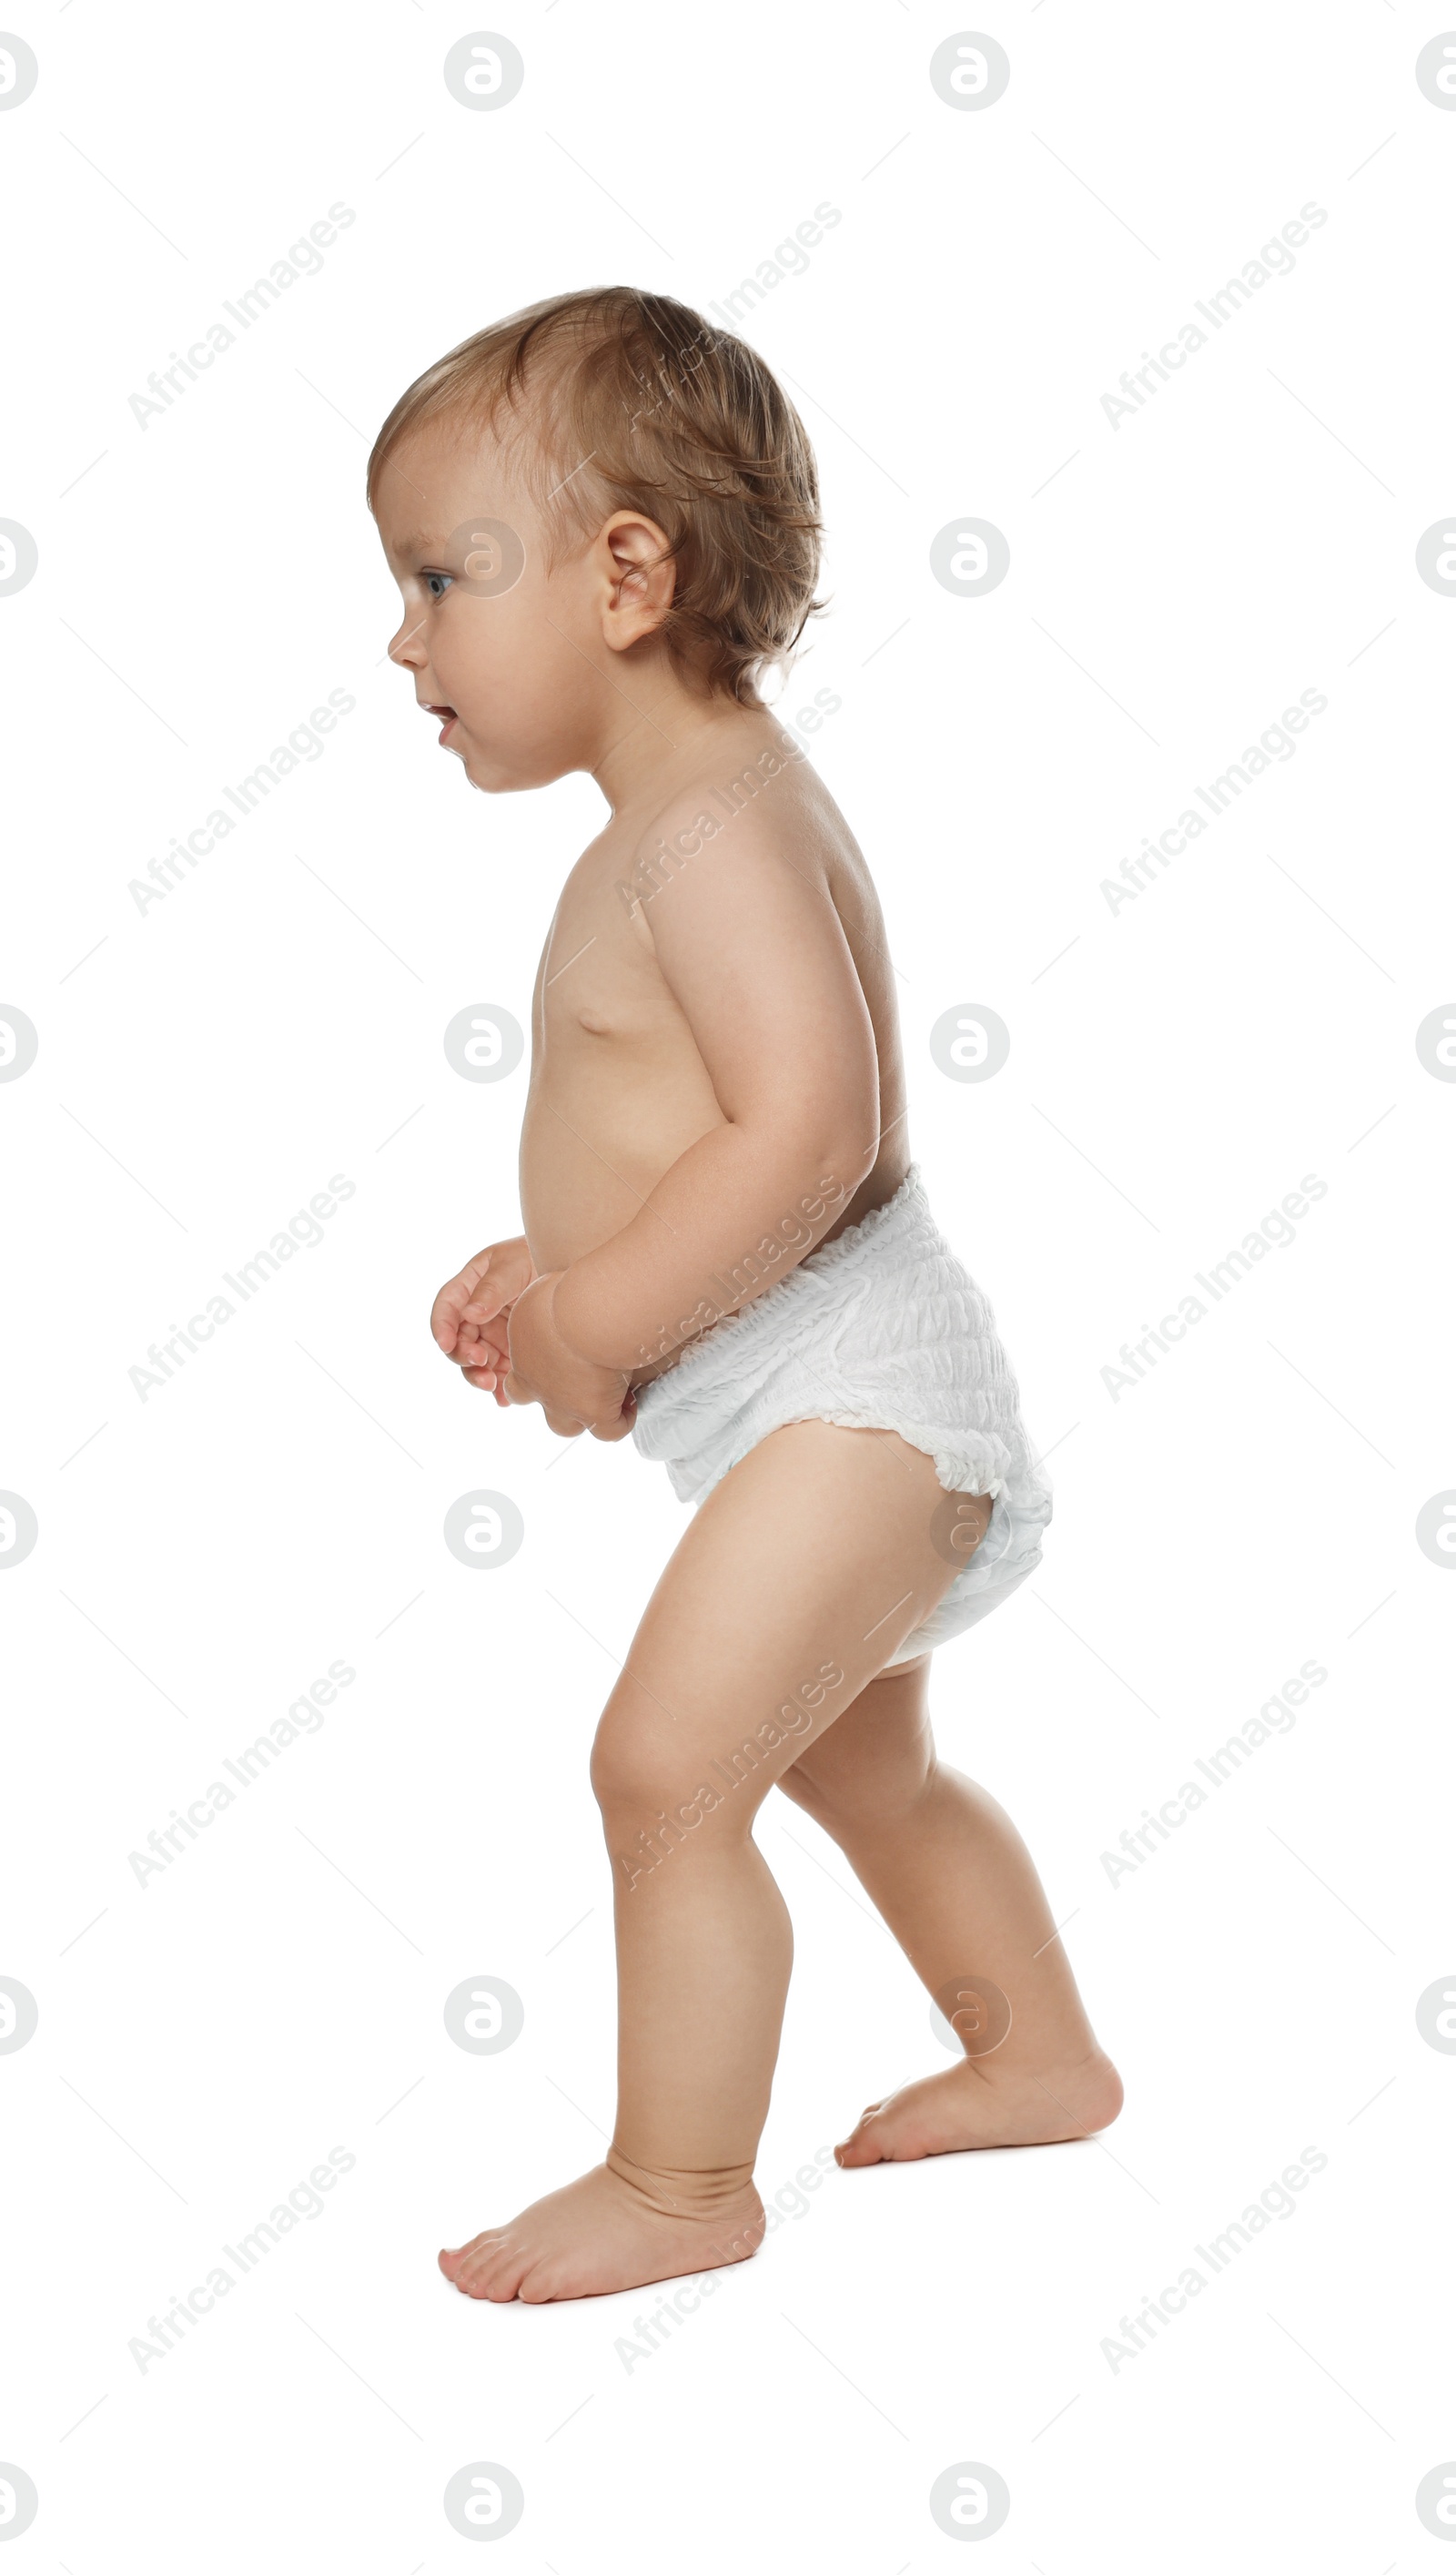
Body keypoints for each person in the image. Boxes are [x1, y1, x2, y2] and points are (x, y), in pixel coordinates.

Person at [366, 287, 1122, 2306]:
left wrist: (602, 1319)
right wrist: (559, 1265)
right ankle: (1034, 2049)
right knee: (857, 1763)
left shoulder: (705, 828)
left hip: (857, 1397)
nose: (403, 640)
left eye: (441, 579)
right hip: (836, 1389)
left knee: (658, 1768)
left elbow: (807, 1134)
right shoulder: (683, 818)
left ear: (624, 573)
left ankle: (683, 2178)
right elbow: (717, 1131)